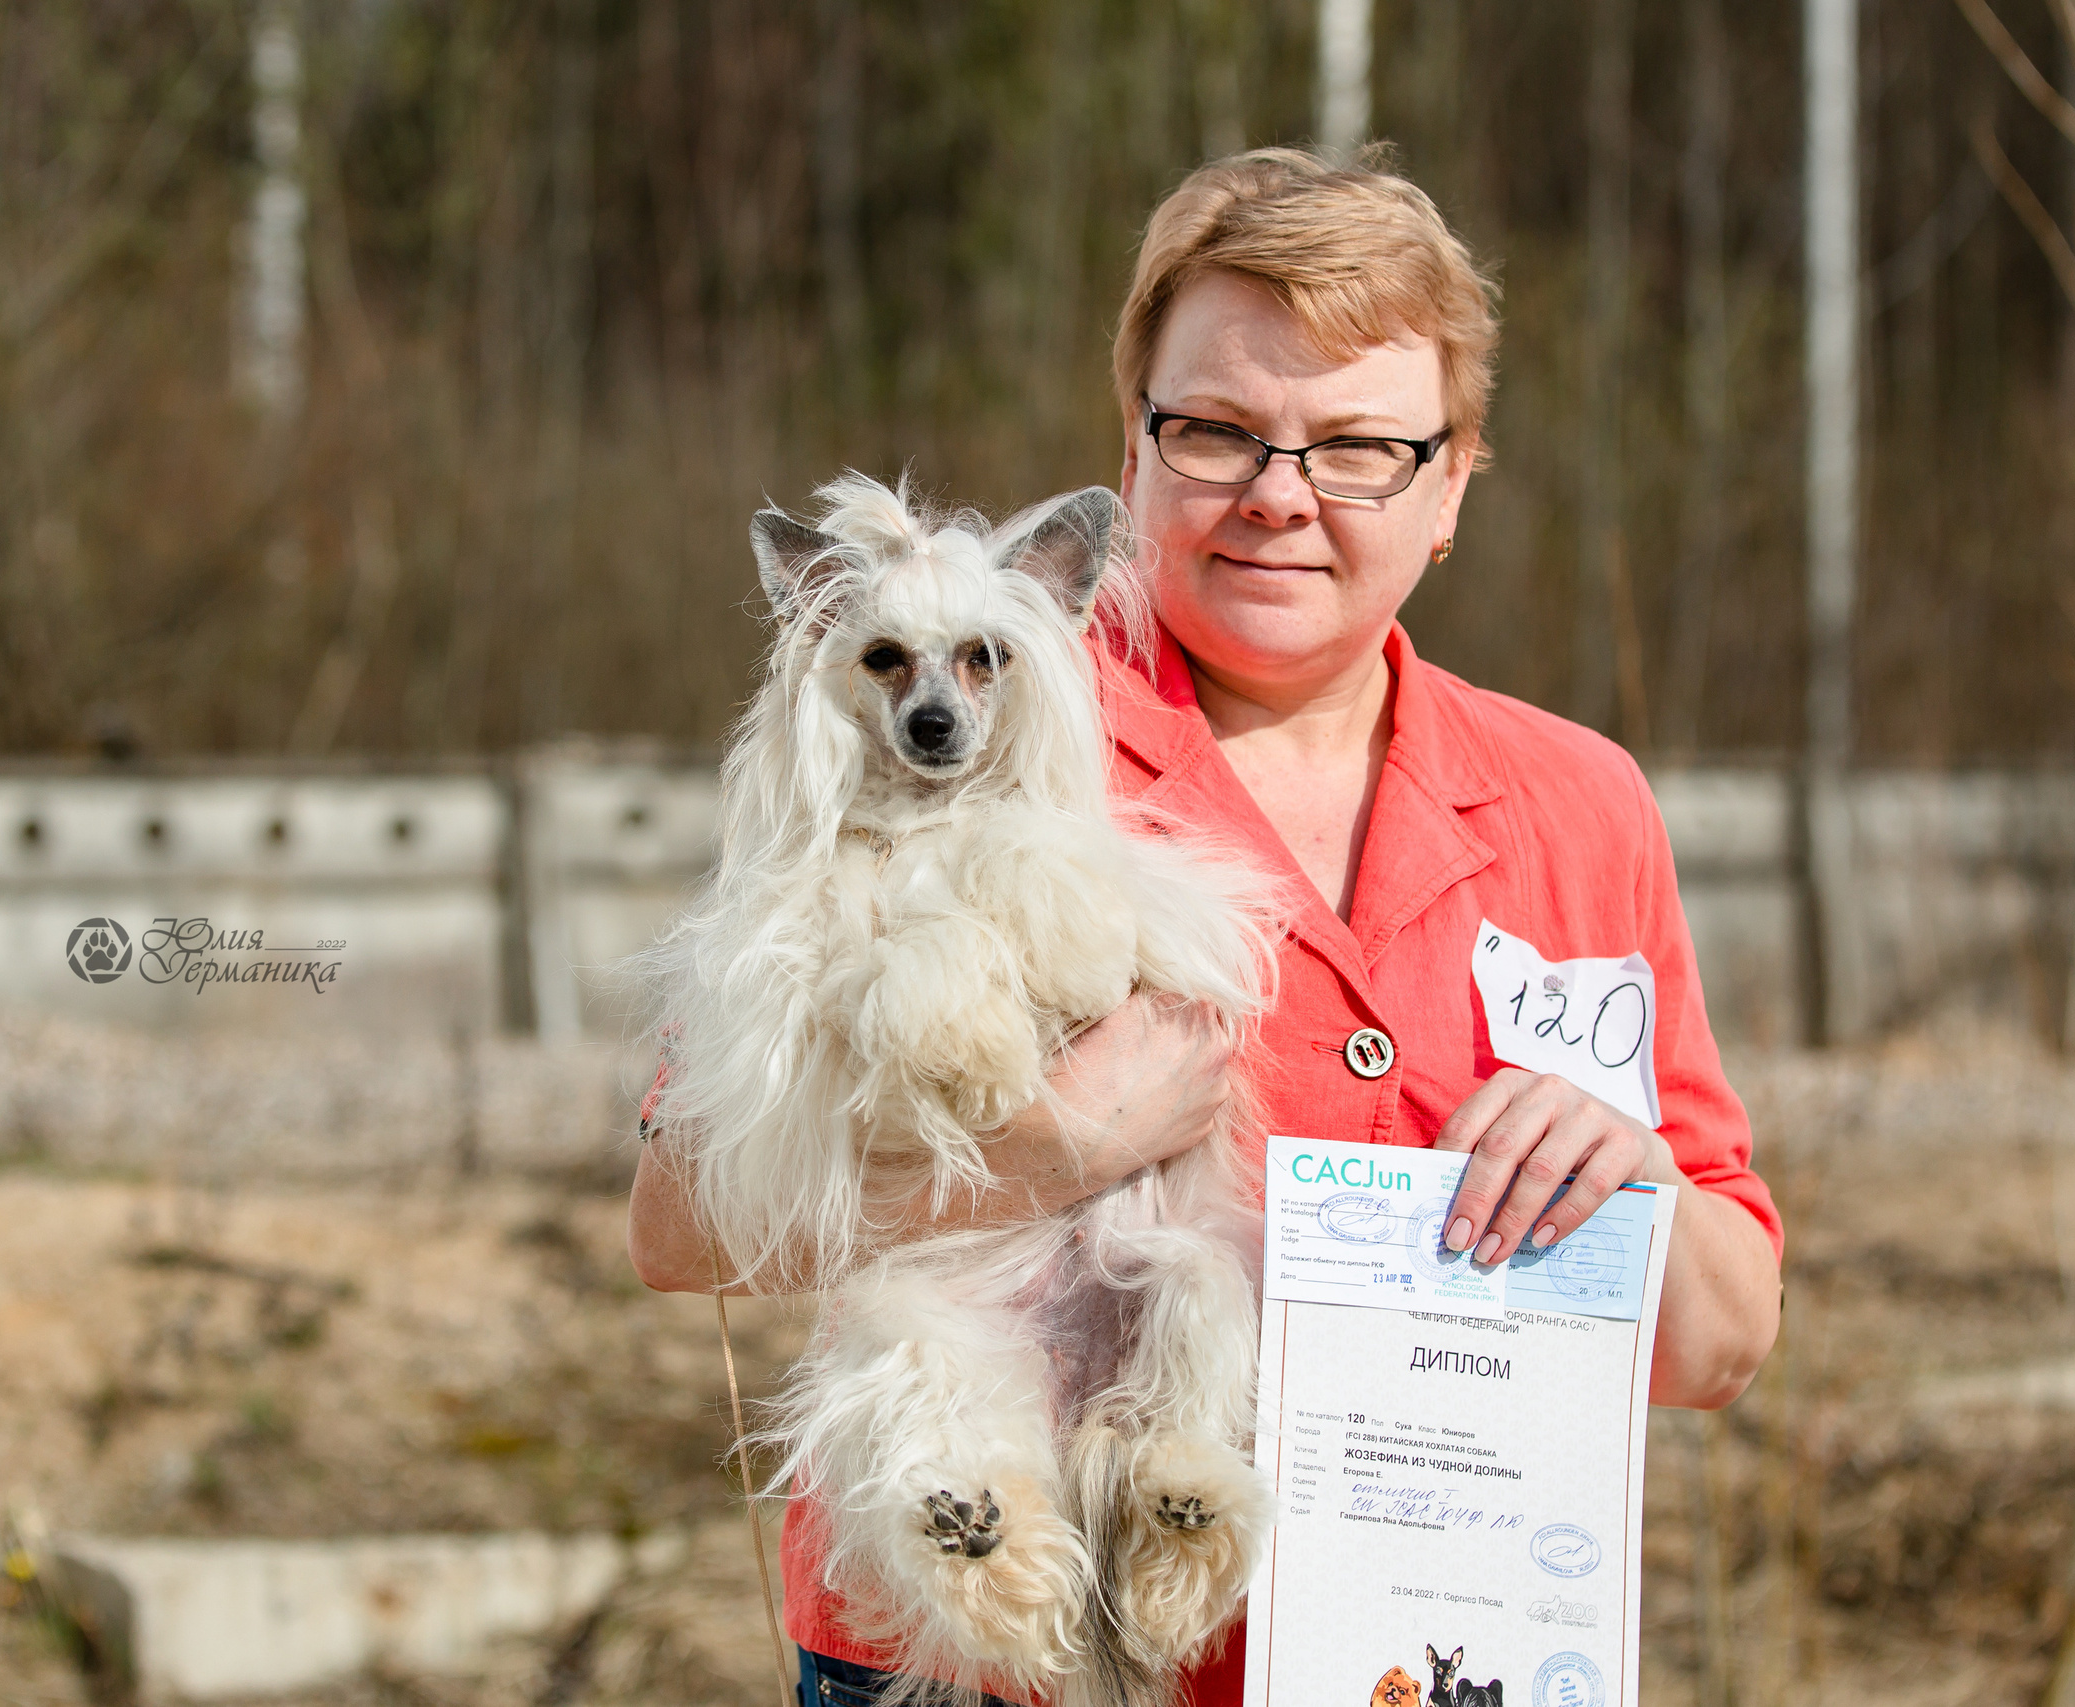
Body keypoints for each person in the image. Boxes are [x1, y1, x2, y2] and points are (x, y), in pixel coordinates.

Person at [628, 146, 1783, 1707]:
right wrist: (1044, 1153)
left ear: (1452, 485)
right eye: (1220, 431)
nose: (1281, 495)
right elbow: (679, 1224)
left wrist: (1633, 1190)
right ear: (1135, 450)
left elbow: (1718, 1347)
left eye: (1361, 447)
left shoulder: (1580, 804)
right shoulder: (961, 735)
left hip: (1428, 1662)